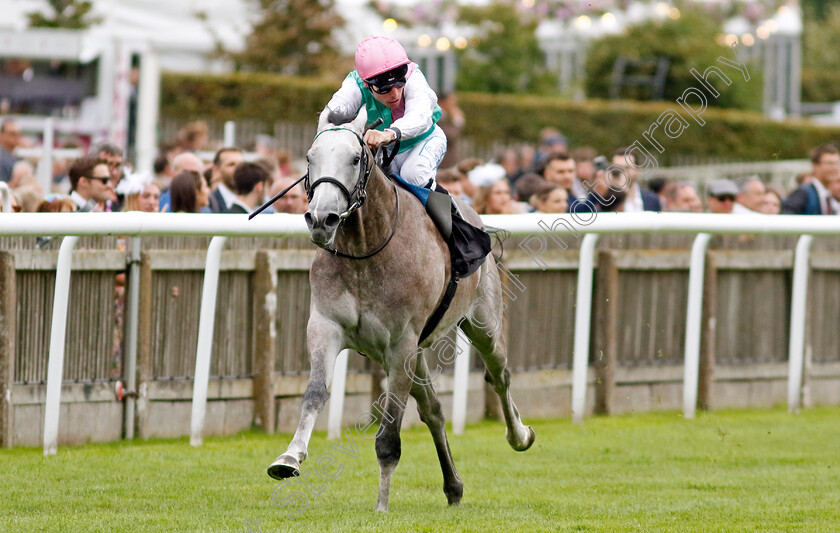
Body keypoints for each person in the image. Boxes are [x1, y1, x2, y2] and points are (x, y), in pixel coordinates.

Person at [323, 35, 446, 190]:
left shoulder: (413, 76)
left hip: (425, 140)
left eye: (399, 83)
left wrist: (388, 134)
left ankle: (453, 213)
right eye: (384, 88)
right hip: (387, 150)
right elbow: (330, 116)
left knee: (413, 174)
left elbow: (419, 115)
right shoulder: (355, 84)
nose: (395, 94)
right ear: (366, 84)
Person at [782, 144, 840, 215]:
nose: (834, 168)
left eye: (836, 163)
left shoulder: (829, 198)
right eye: (829, 163)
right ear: (815, 166)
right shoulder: (804, 193)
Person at [0, 118, 22, 183]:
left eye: (18, 134)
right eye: (12, 134)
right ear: (1, 135)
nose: (16, 137)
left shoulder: (18, 157)